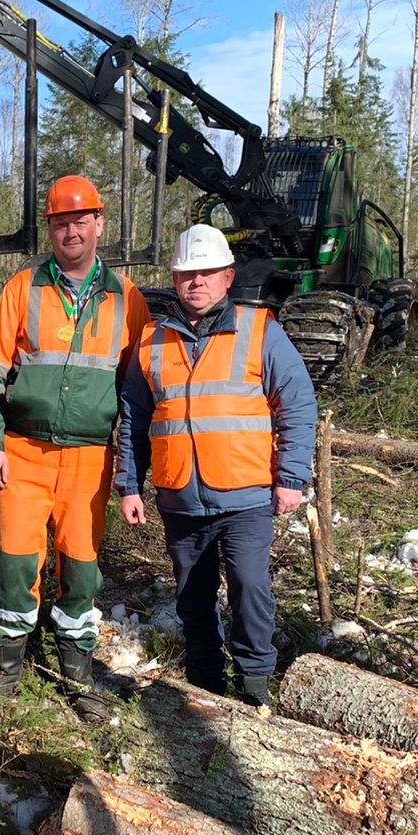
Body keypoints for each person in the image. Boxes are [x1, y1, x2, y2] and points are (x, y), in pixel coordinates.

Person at [115, 223, 317, 706]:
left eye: (207, 273)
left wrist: (290, 477)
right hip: (180, 495)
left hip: (245, 495)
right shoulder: (151, 341)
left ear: (228, 276)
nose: (196, 282)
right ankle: (205, 681)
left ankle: (254, 684)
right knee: (192, 596)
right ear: (174, 278)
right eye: (187, 273)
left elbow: (297, 402)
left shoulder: (259, 330)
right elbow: (134, 418)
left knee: (250, 590)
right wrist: (129, 484)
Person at [0, 175, 151, 719]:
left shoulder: (128, 299)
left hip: (89, 459)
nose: (70, 230)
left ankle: (76, 670)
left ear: (99, 224)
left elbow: (135, 391)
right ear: (49, 228)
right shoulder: (23, 289)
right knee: (13, 560)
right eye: (59, 222)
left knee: (81, 563)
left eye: (80, 220)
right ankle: (7, 669)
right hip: (22, 450)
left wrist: (128, 468)